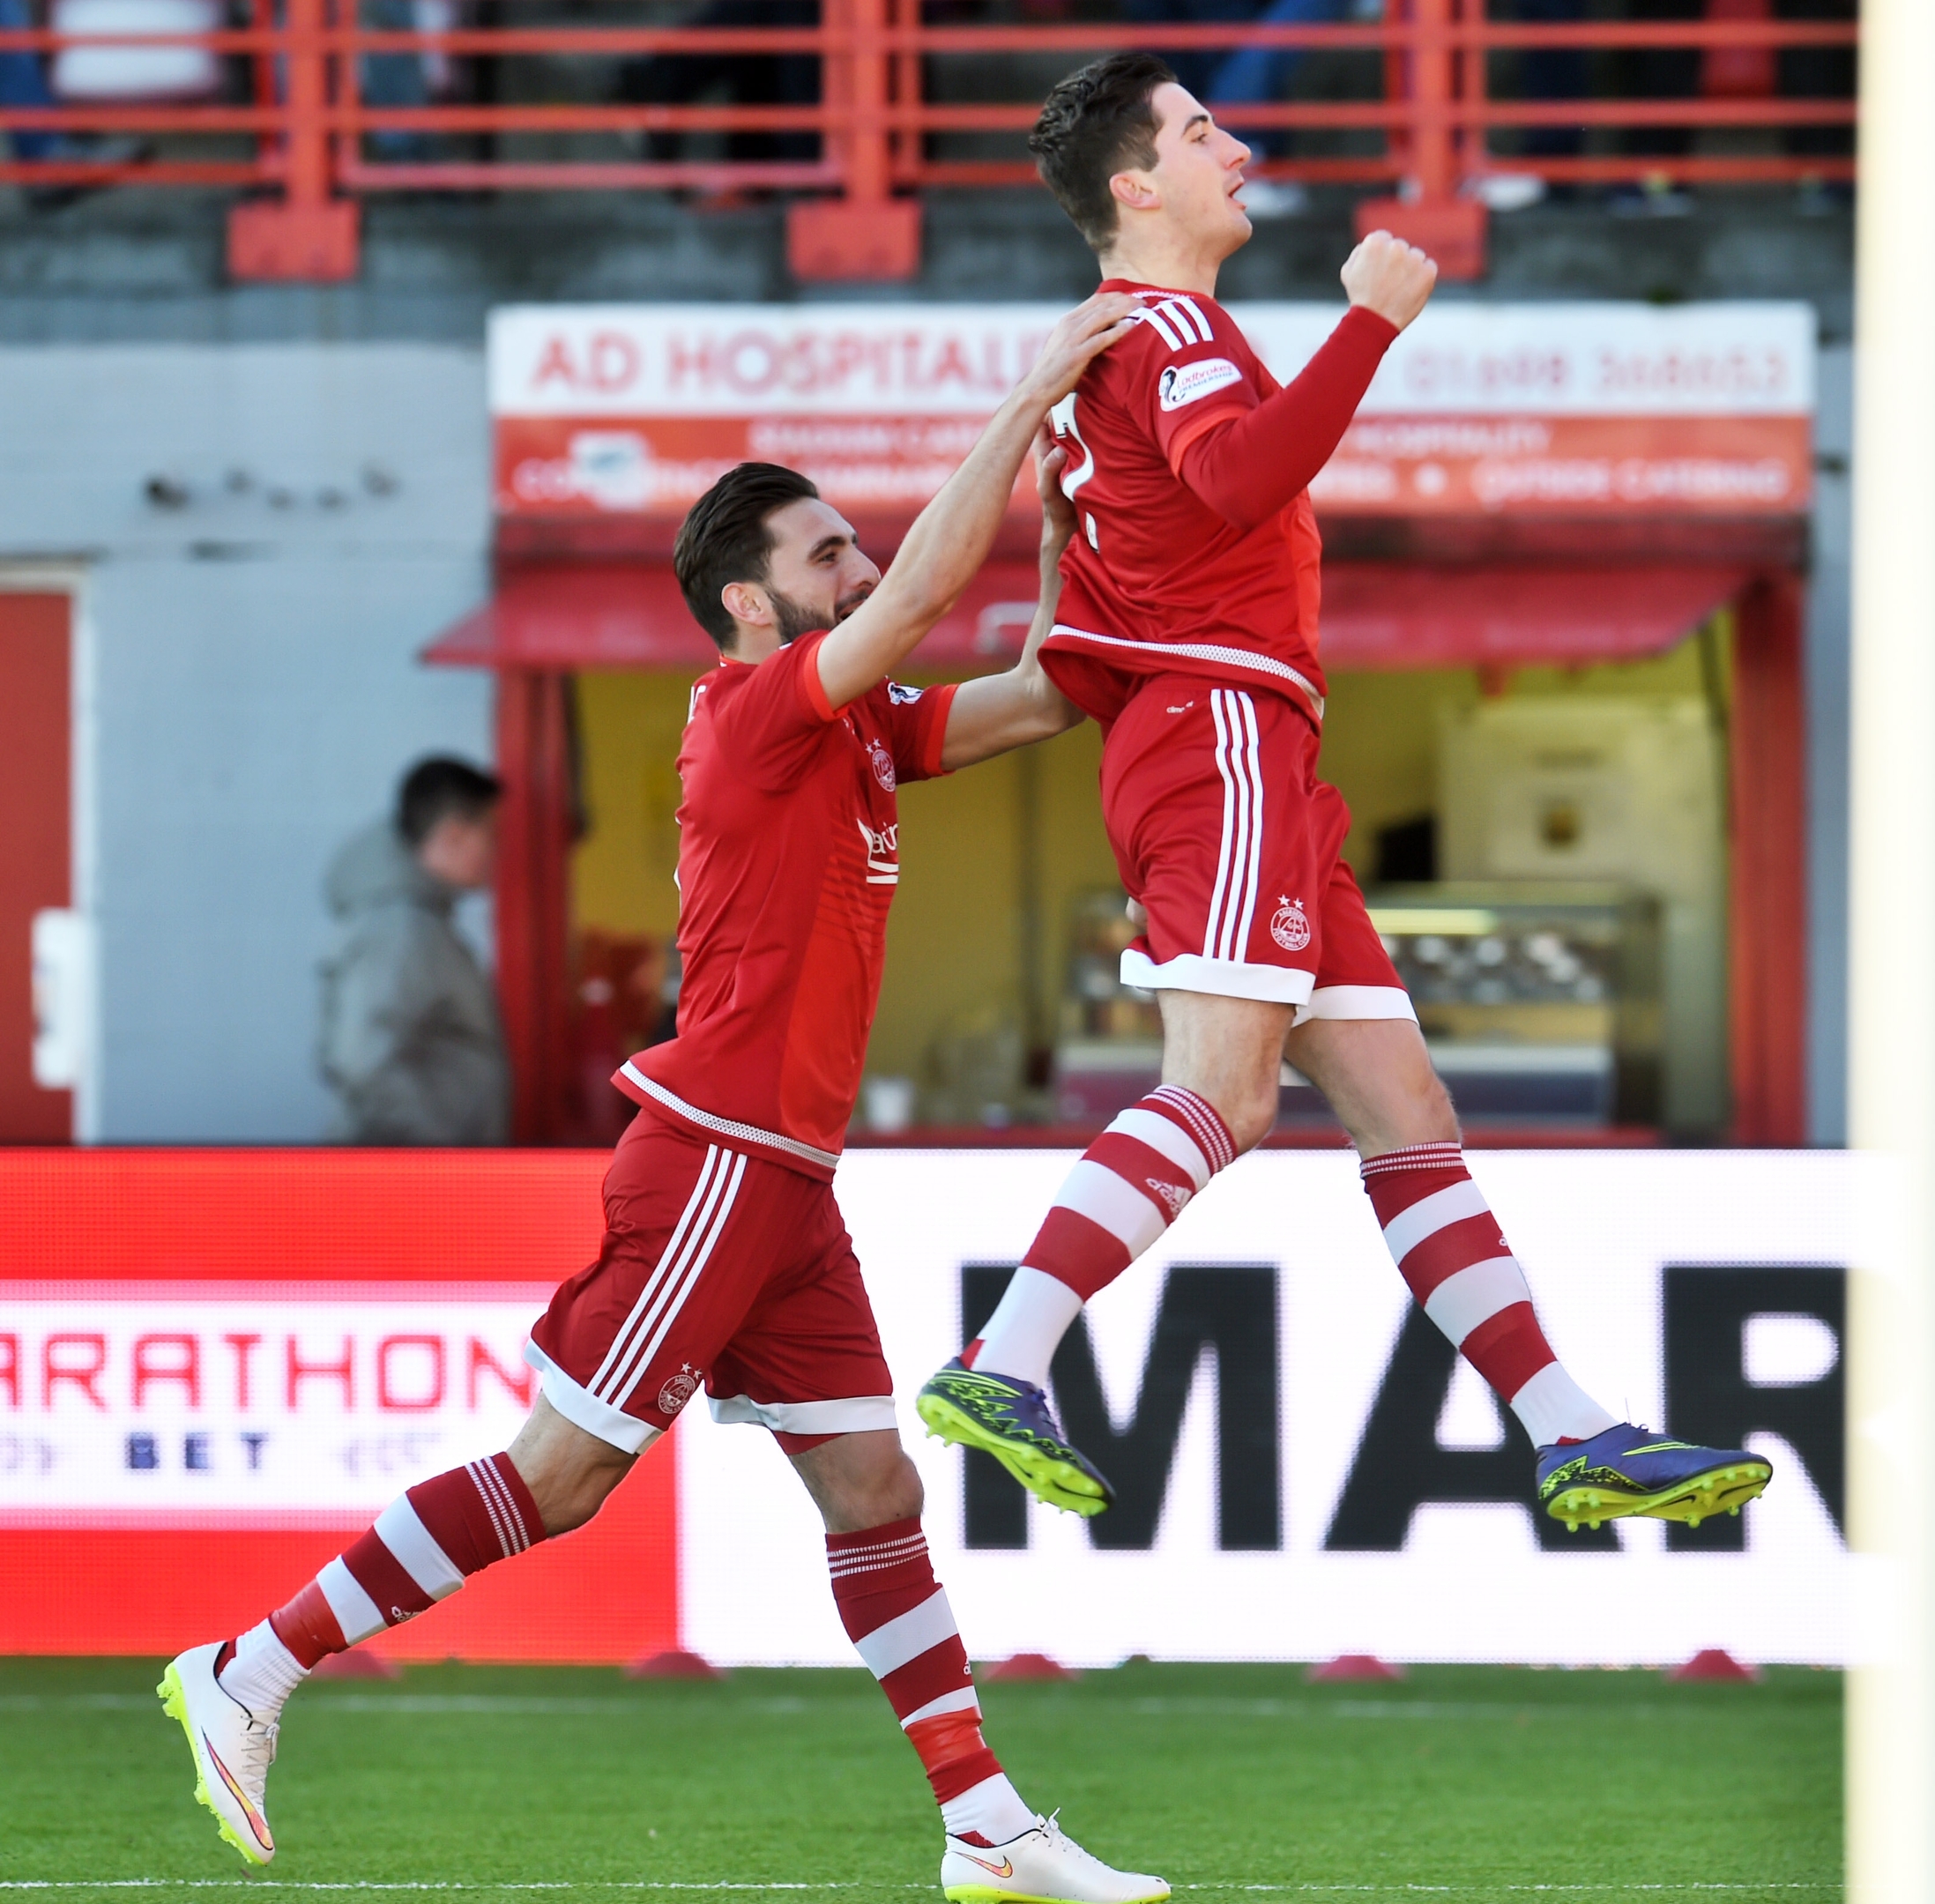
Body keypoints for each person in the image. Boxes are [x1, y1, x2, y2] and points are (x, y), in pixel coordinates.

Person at [160, 292, 1173, 1904]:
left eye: (852, 545)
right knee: (562, 1482)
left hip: (789, 1183)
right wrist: (1036, 388)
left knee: (876, 1489)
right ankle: (252, 1666)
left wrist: (1064, 505)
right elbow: (921, 599)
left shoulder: (848, 736)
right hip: (714, 1162)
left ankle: (984, 1824)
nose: (854, 566)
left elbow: (1048, 689)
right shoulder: (759, 716)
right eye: (824, 551)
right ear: (750, 608)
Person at [914, 53, 1774, 1543]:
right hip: (1225, 739)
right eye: (1201, 131)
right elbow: (1241, 478)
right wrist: (1370, 320)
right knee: (1225, 1094)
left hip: (1237, 751)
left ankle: (1570, 1433)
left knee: (1406, 1106)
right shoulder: (1175, 326)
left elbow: (1087, 637)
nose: (1237, 149)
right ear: (1135, 188)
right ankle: (1009, 1352)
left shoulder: (1117, 346)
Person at [317, 755, 510, 1146]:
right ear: (454, 833)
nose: (495, 852)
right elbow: (360, 1060)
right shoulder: (399, 929)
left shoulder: (420, 923)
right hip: (408, 1182)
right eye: (490, 833)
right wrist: (434, 1149)